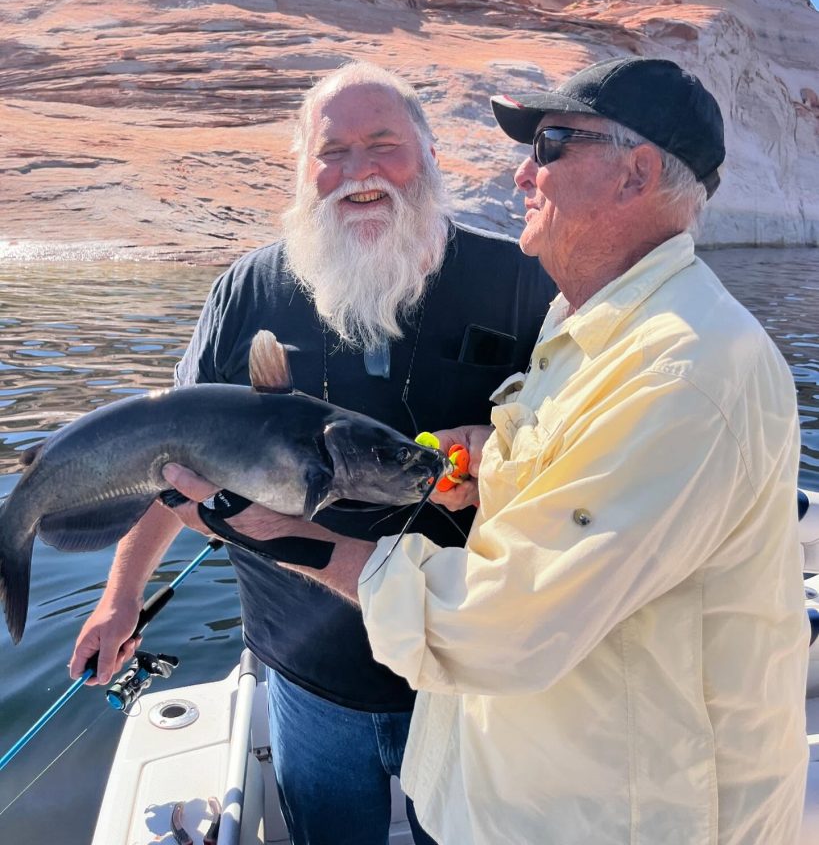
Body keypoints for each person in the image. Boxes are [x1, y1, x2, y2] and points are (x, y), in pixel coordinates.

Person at [168, 56, 810, 845]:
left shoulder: (681, 369)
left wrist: (287, 537)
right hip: (500, 753)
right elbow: (575, 473)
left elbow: (501, 625)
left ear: (634, 175)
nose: (518, 177)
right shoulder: (595, 331)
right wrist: (492, 459)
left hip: (619, 806)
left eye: (549, 147)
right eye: (331, 151)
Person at [69, 61, 555, 845]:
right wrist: (120, 594)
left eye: (383, 144)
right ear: (302, 170)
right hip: (304, 676)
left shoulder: (520, 283)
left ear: (431, 155)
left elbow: (578, 452)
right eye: (332, 152)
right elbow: (170, 455)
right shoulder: (246, 290)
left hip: (468, 674)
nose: (359, 173)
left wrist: (498, 451)